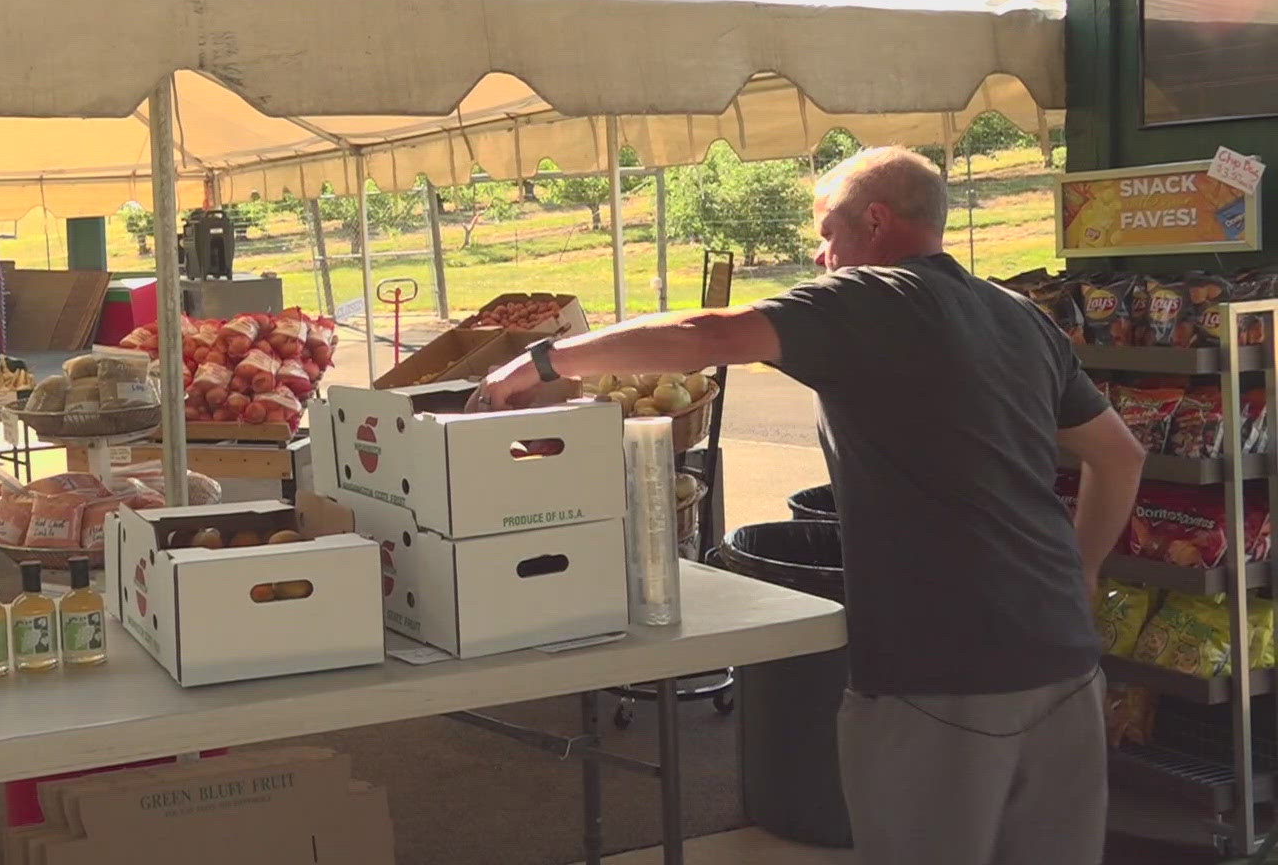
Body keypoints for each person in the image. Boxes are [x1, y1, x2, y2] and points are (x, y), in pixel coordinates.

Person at [472, 147, 1145, 865]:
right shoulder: (1017, 316)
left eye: (827, 232)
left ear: (876, 222)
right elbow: (1119, 456)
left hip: (942, 672)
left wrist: (539, 362)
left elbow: (708, 336)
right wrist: (1080, 572)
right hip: (1066, 665)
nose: (822, 255)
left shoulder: (871, 296)